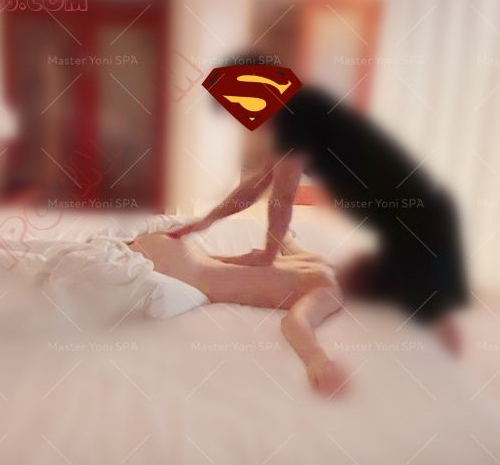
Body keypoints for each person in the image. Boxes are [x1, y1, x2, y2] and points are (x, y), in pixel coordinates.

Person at [169, 54, 469, 357]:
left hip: (418, 219)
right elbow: (259, 182)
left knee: (423, 322)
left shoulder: (294, 118)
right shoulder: (295, 109)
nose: (244, 120)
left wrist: (268, 253)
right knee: (370, 295)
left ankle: (440, 342)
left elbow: (282, 196)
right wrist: (208, 220)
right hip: (416, 212)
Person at [130, 231, 354, 396]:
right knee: (115, 264)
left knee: (117, 251)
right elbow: (295, 322)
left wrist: (287, 234)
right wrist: (317, 359)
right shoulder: (330, 289)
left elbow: (285, 242)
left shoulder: (321, 262)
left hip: (184, 251)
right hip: (189, 272)